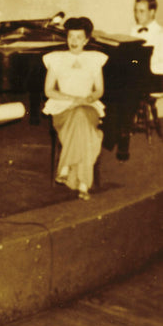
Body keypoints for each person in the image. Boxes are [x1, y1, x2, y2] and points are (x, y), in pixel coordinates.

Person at [42, 17, 107, 201]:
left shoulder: (94, 59)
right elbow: (48, 90)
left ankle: (65, 166)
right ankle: (84, 184)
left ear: (86, 40)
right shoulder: (56, 58)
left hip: (87, 106)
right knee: (87, 132)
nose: (74, 41)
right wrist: (72, 99)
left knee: (81, 114)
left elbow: (99, 90)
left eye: (79, 37)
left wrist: (86, 99)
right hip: (63, 107)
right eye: (71, 36)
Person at [130, 0, 163, 90]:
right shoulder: (134, 30)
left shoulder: (160, 34)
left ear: (152, 12)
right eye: (136, 11)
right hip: (136, 74)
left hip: (154, 77)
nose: (137, 15)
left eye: (141, 11)